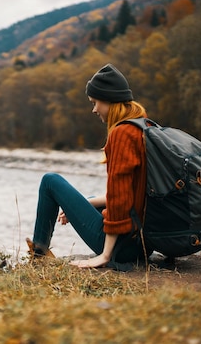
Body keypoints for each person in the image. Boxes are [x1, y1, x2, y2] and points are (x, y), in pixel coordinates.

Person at [27, 63, 149, 270]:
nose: (94, 110)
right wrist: (84, 204)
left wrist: (104, 256)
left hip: (123, 247)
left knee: (50, 181)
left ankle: (39, 256)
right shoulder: (143, 127)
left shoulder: (121, 134)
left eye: (95, 102)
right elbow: (132, 193)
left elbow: (120, 200)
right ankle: (40, 253)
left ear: (109, 99)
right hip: (143, 242)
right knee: (91, 198)